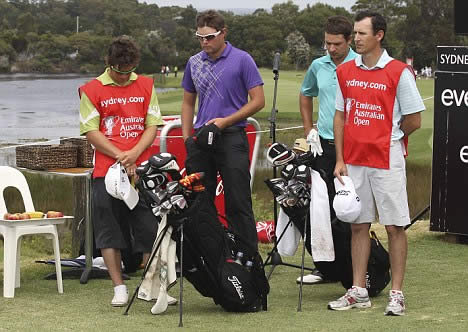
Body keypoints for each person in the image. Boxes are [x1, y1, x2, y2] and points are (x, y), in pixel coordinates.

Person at [329, 11, 425, 316]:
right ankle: (359, 290)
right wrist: (340, 159)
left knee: (395, 226)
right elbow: (340, 116)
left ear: (379, 35)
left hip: (387, 159)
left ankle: (396, 293)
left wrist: (389, 137)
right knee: (358, 226)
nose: (356, 38)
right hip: (354, 161)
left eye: (361, 33)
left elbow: (414, 119)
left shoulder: (399, 72)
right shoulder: (345, 71)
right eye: (355, 33)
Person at [79, 35, 163, 307]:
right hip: (106, 171)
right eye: (119, 72)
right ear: (108, 63)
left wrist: (135, 154)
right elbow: (91, 131)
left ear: (135, 64)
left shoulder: (146, 85)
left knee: (151, 228)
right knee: (108, 230)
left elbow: (152, 125)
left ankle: (153, 286)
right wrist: (120, 156)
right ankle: (119, 288)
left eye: (129, 72)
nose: (124, 77)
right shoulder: (91, 90)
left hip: (141, 169)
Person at [181, 9, 265, 254]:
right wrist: (188, 138)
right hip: (201, 139)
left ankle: (247, 258)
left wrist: (225, 122)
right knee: (200, 202)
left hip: (231, 136)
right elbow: (188, 102)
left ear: (223, 33)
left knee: (237, 201)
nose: (204, 42)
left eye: (209, 37)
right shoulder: (194, 62)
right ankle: (211, 255)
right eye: (200, 38)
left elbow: (258, 100)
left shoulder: (242, 59)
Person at [298, 15, 357, 285]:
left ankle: (355, 266)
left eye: (336, 44)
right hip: (324, 146)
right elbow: (306, 93)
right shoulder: (318, 65)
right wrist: (309, 128)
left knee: (352, 209)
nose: (331, 49)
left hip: (353, 147)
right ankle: (326, 267)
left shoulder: (360, 64)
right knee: (323, 209)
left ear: (349, 41)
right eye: (327, 44)